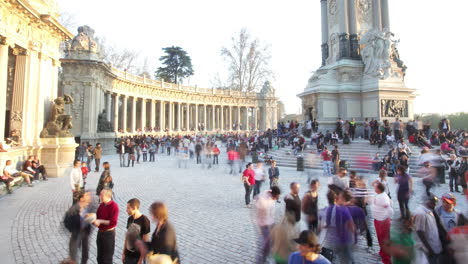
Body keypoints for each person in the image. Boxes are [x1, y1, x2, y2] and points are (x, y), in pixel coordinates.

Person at [255, 186, 281, 264]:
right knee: (265, 243)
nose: (277, 199)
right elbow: (259, 214)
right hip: (264, 224)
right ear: (273, 194)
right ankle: (260, 260)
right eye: (276, 197)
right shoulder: (263, 201)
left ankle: (265, 257)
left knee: (271, 242)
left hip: (271, 222)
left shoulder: (271, 195)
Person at [65, 192, 94, 264]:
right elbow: (66, 222)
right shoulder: (74, 209)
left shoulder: (88, 206)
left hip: (85, 233)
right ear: (81, 199)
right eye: (87, 195)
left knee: (85, 254)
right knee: (73, 254)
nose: (90, 196)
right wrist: (74, 230)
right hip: (76, 233)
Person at [413, 194, 442, 264]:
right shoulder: (421, 213)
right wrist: (429, 249)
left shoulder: (429, 210)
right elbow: (419, 231)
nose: (434, 204)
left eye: (435, 202)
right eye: (432, 202)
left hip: (434, 246)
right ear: (426, 201)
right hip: (428, 249)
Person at [93, 188, 119, 264]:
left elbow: (113, 223)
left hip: (109, 234)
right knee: (99, 258)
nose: (99, 196)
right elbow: (97, 218)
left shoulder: (114, 206)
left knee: (107, 259)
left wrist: (100, 221)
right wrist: (92, 219)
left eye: (101, 194)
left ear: (107, 196)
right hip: (100, 233)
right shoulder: (101, 205)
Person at [122, 198, 151, 264]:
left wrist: (140, 260)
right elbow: (127, 238)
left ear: (134, 208)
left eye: (128, 208)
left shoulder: (145, 220)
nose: (126, 210)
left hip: (137, 257)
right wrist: (123, 253)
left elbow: (145, 242)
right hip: (128, 255)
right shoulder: (130, 219)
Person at [372, 182, 393, 264]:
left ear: (379, 189)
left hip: (383, 222)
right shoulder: (379, 195)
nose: (374, 188)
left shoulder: (383, 198)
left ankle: (387, 259)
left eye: (375, 187)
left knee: (384, 239)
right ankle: (382, 252)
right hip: (378, 220)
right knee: (380, 238)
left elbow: (389, 208)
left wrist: (387, 218)